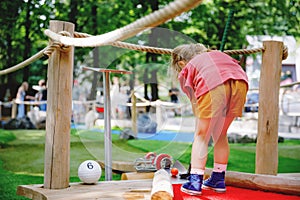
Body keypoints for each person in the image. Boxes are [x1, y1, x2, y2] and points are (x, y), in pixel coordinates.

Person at [170, 43, 248, 195]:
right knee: (220, 134)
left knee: (201, 135)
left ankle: (195, 182)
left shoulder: (188, 68)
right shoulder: (217, 55)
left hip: (213, 84)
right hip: (240, 82)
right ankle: (218, 179)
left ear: (181, 63)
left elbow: (196, 104)